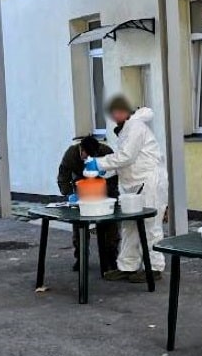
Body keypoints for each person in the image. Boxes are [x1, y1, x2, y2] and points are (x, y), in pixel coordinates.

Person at [88, 96, 168, 282]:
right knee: (130, 225)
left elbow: (126, 156)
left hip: (149, 183)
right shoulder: (126, 129)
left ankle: (154, 268)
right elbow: (125, 162)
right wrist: (104, 171)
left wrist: (99, 163)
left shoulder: (135, 127)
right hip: (134, 184)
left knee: (150, 226)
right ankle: (127, 266)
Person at [57, 135, 120, 278]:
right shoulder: (71, 155)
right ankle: (81, 257)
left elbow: (115, 175)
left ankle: (111, 257)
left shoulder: (106, 152)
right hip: (81, 187)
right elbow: (63, 176)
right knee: (80, 224)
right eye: (86, 156)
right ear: (81, 149)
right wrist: (69, 194)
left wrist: (107, 191)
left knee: (110, 224)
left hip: (103, 186)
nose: (88, 159)